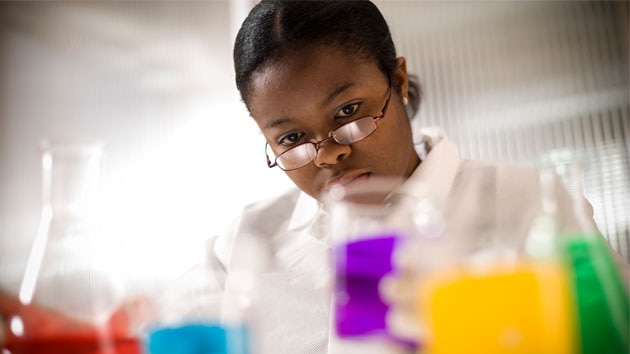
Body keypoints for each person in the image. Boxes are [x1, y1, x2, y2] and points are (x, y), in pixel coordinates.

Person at [211, 0, 630, 353]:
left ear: (397, 81)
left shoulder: (529, 203)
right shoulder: (244, 244)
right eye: (292, 137)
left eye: (347, 111)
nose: (330, 154)